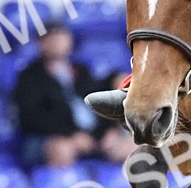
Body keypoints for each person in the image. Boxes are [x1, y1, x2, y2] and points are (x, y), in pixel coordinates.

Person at [14, 24, 134, 168]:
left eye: (61, 36)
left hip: (89, 136)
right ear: (40, 43)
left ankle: (122, 187)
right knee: (62, 149)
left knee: (131, 145)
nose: (57, 41)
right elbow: (32, 117)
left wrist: (108, 131)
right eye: (51, 37)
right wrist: (71, 134)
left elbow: (96, 101)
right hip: (50, 137)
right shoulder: (29, 76)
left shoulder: (81, 70)